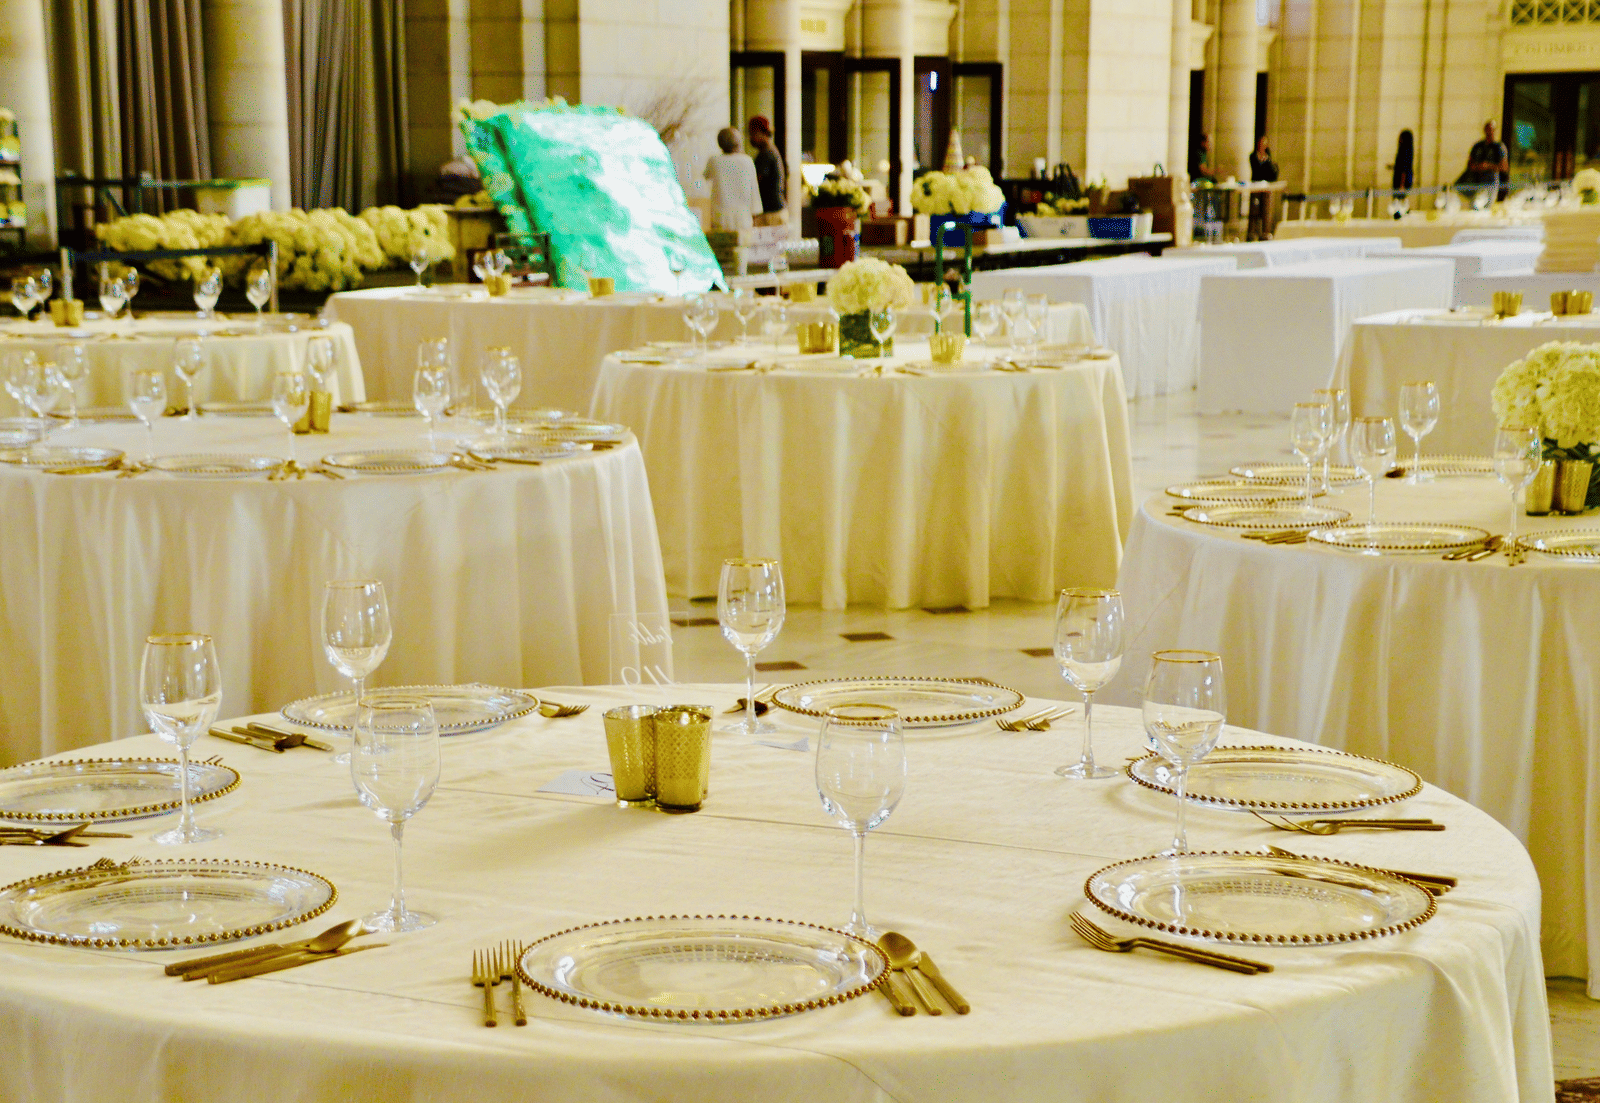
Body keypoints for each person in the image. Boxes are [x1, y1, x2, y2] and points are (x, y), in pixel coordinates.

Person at [703, 127, 762, 232]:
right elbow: (754, 192)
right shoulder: (747, 161)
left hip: (720, 217)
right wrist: (755, 216)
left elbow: (705, 176)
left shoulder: (714, 161)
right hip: (743, 218)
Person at [748, 116, 787, 221]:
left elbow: (755, 181)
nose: (750, 138)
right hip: (776, 210)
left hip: (770, 213)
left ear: (762, 132)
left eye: (752, 133)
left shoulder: (766, 154)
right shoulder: (772, 150)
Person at [1460, 119, 1509, 202]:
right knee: (1474, 206)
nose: (1489, 131)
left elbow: (1504, 167)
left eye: (1491, 129)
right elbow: (1470, 164)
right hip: (1476, 181)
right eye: (1488, 129)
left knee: (1486, 208)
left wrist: (1488, 166)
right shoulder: (1478, 146)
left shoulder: (1499, 147)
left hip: (1491, 182)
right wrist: (1479, 166)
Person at [1247, 135, 1278, 240]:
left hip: (1266, 186)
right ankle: (1252, 232)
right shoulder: (1253, 156)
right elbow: (1257, 169)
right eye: (1261, 143)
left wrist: (1267, 161)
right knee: (1254, 209)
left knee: (1266, 210)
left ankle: (1266, 232)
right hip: (1256, 185)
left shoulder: (1268, 157)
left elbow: (1270, 171)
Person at [1392, 129, 1415, 193]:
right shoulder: (1408, 151)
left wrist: (1402, 185)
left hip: (1402, 182)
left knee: (1399, 199)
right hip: (1405, 180)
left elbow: (1404, 169)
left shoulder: (1404, 152)